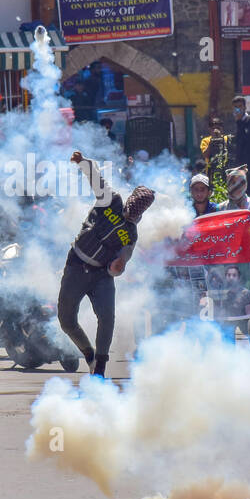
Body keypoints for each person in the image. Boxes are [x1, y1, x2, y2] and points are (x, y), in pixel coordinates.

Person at [58, 150, 155, 378]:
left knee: (107, 317)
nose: (134, 210)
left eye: (140, 208)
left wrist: (117, 266)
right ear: (130, 198)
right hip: (76, 264)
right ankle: (88, 353)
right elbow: (96, 179)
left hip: (102, 275)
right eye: (135, 204)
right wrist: (82, 162)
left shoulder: (131, 234)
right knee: (66, 320)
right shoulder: (112, 200)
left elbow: (122, 261)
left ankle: (100, 365)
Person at [200, 116, 230, 204]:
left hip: (224, 168)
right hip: (211, 171)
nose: (216, 130)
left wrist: (220, 138)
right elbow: (205, 154)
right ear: (210, 129)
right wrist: (212, 140)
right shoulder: (205, 140)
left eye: (218, 128)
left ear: (222, 129)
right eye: (213, 128)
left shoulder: (226, 139)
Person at [232, 95, 250, 184]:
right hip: (240, 161)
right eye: (236, 107)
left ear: (245, 107)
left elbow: (249, 139)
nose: (238, 109)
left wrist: (239, 122)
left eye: (240, 106)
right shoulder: (238, 122)